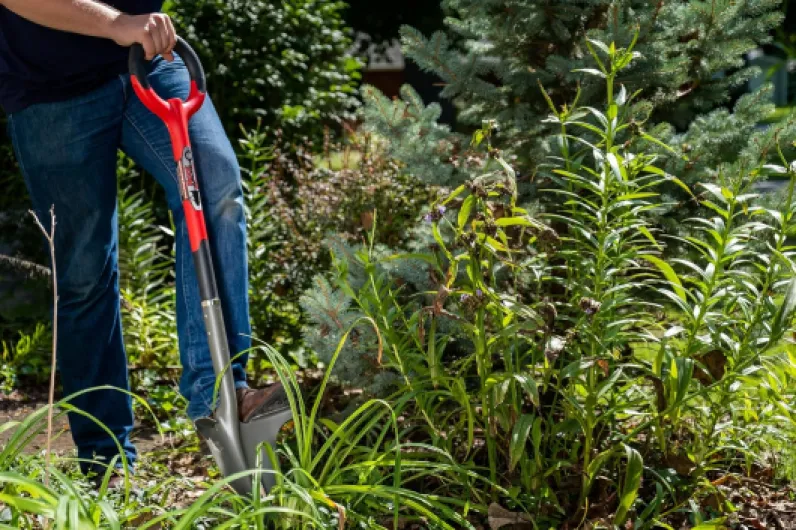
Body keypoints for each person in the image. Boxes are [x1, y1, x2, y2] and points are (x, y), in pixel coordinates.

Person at [0, 0, 286, 487]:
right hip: (50, 88)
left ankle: (221, 395)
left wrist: (131, 29)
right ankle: (106, 458)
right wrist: (114, 23)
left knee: (216, 190)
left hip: (147, 61)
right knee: (86, 272)